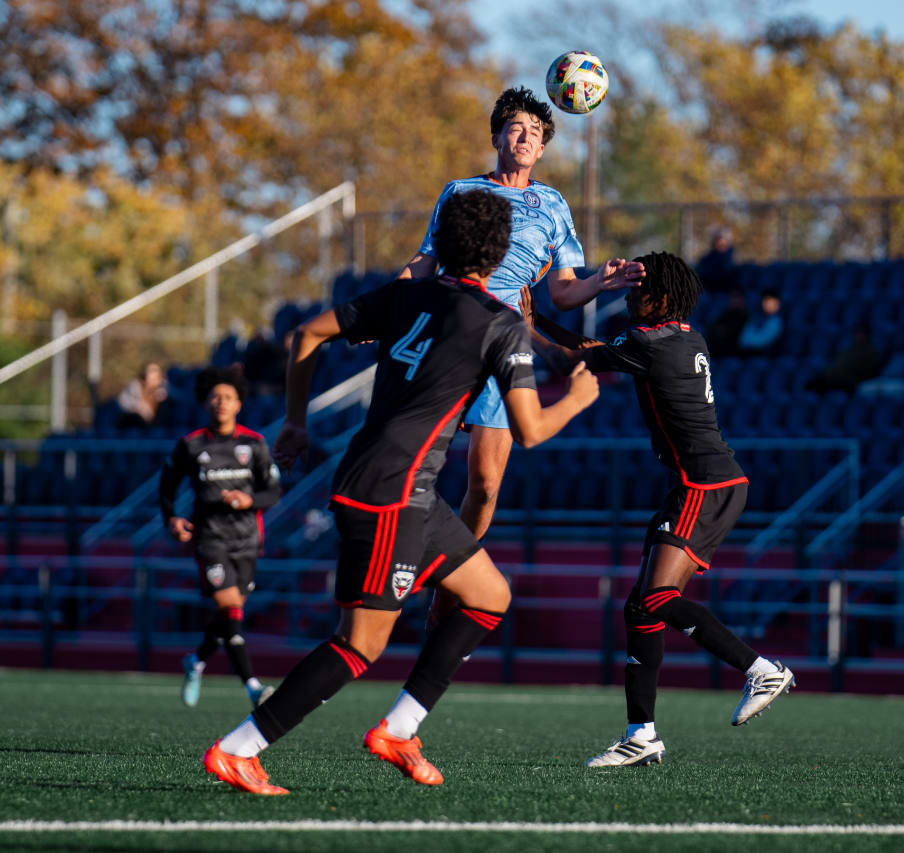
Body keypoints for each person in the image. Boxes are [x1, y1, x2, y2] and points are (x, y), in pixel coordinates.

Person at [200, 189, 599, 795]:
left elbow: (306, 335)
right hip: (393, 496)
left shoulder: (405, 294)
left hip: (396, 487)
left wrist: (295, 421)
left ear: (441, 242)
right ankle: (240, 747)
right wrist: (576, 396)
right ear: (501, 256)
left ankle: (400, 729)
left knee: (489, 595)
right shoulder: (499, 324)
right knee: (359, 645)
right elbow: (531, 429)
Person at [523, 251, 794, 768]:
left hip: (703, 486)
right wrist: (539, 322)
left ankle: (760, 668)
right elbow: (596, 348)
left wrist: (524, 328)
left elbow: (567, 361)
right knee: (640, 609)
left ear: (661, 298)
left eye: (637, 289)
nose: (628, 296)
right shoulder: (681, 335)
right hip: (701, 483)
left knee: (657, 598)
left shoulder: (650, 344)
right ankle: (640, 734)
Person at [398, 86, 642, 543]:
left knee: (486, 486)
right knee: (413, 475)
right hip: (448, 338)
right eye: (516, 128)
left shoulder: (553, 205)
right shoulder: (461, 192)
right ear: (496, 139)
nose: (525, 137)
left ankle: (449, 588)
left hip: (506, 346)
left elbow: (564, 293)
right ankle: (400, 563)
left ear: (543, 149)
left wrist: (600, 282)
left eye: (535, 132)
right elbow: (424, 261)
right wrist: (388, 306)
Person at [159, 367, 282, 709]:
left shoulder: (254, 444)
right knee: (230, 608)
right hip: (209, 538)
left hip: (246, 540)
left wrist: (249, 501)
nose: (221, 403)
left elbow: (273, 491)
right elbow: (167, 485)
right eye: (215, 397)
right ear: (206, 402)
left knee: (229, 616)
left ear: (239, 403)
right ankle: (254, 687)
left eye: (228, 397)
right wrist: (171, 518)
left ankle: (196, 661)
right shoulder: (192, 444)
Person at [805, 323, 881, 393]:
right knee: (812, 383)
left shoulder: (871, 351)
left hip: (851, 380)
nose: (859, 336)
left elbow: (869, 370)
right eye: (857, 333)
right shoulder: (850, 349)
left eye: (861, 333)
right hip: (836, 377)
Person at [116, 362, 169, 429]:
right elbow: (122, 403)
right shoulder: (134, 389)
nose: (153, 374)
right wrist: (139, 407)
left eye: (155, 371)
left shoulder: (166, 392)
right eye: (150, 371)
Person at [736, 289, 783, 356]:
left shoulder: (776, 321)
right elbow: (743, 339)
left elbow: (763, 341)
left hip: (765, 355)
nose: (769, 305)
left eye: (773, 303)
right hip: (748, 353)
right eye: (766, 302)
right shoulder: (755, 318)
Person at [705, 287, 749, 356]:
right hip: (717, 353)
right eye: (732, 297)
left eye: (737, 297)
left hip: (737, 355)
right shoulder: (724, 315)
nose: (734, 300)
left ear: (743, 299)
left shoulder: (747, 317)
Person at [695, 227, 736, 292]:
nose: (719, 242)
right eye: (717, 239)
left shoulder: (732, 258)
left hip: (725, 293)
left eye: (722, 239)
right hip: (708, 291)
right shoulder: (707, 259)